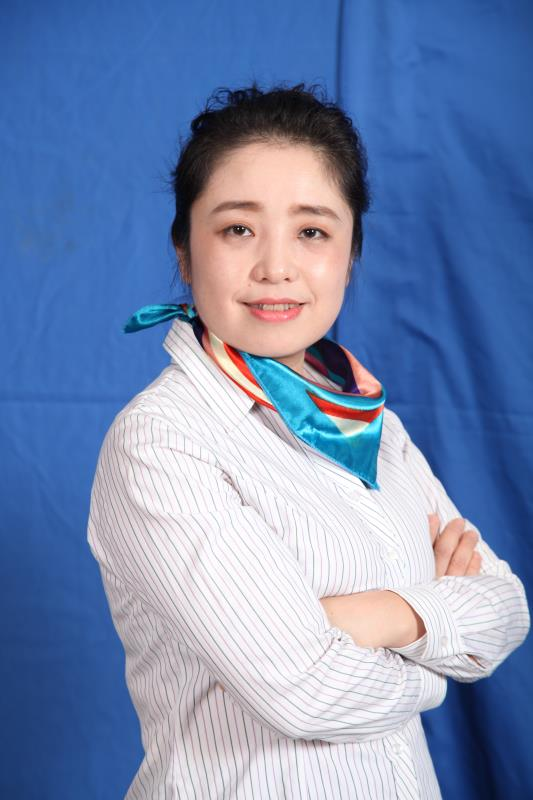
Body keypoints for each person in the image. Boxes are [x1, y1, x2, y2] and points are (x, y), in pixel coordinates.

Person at [87, 82, 529, 799]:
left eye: (312, 232)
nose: (276, 267)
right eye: (238, 229)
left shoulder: (372, 426)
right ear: (184, 252)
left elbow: (505, 607)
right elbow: (307, 692)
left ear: (350, 254)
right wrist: (437, 653)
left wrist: (370, 617)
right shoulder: (163, 440)